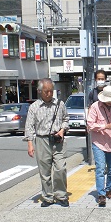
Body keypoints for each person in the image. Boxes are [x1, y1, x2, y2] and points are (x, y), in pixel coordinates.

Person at [24, 78, 70, 207]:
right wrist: (30, 144)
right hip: (42, 140)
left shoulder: (60, 104)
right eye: (46, 91)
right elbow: (29, 126)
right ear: (39, 91)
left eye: (51, 91)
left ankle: (61, 195)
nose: (49, 94)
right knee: (45, 171)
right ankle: (48, 197)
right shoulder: (34, 107)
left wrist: (62, 130)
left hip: (58, 140)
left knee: (60, 168)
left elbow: (66, 118)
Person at [87, 86, 111, 207]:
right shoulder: (95, 107)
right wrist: (105, 126)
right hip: (99, 141)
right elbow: (90, 125)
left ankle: (109, 189)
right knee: (101, 168)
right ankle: (101, 194)